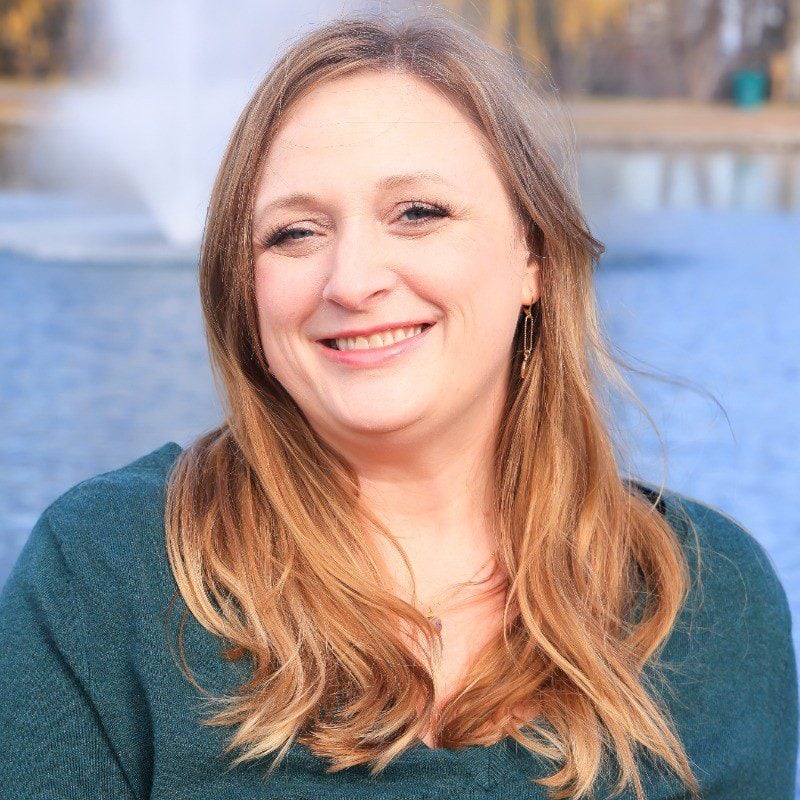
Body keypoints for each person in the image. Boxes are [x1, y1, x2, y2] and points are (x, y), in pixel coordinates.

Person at [0, 8, 796, 800]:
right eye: (295, 233)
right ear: (243, 292)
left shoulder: (711, 601)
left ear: (535, 257)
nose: (351, 281)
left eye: (417, 213)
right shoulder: (108, 579)